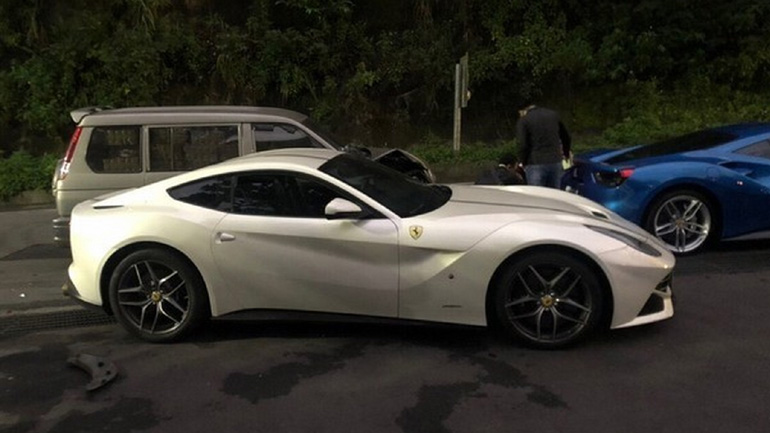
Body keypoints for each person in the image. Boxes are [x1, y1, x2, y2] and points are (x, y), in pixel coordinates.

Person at [516, 101, 572, 188]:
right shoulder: (553, 115)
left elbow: (523, 144)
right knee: (555, 193)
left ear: (522, 111)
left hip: (535, 163)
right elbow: (566, 136)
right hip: (555, 160)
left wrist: (522, 161)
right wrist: (566, 153)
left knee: (537, 193)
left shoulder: (524, 120)